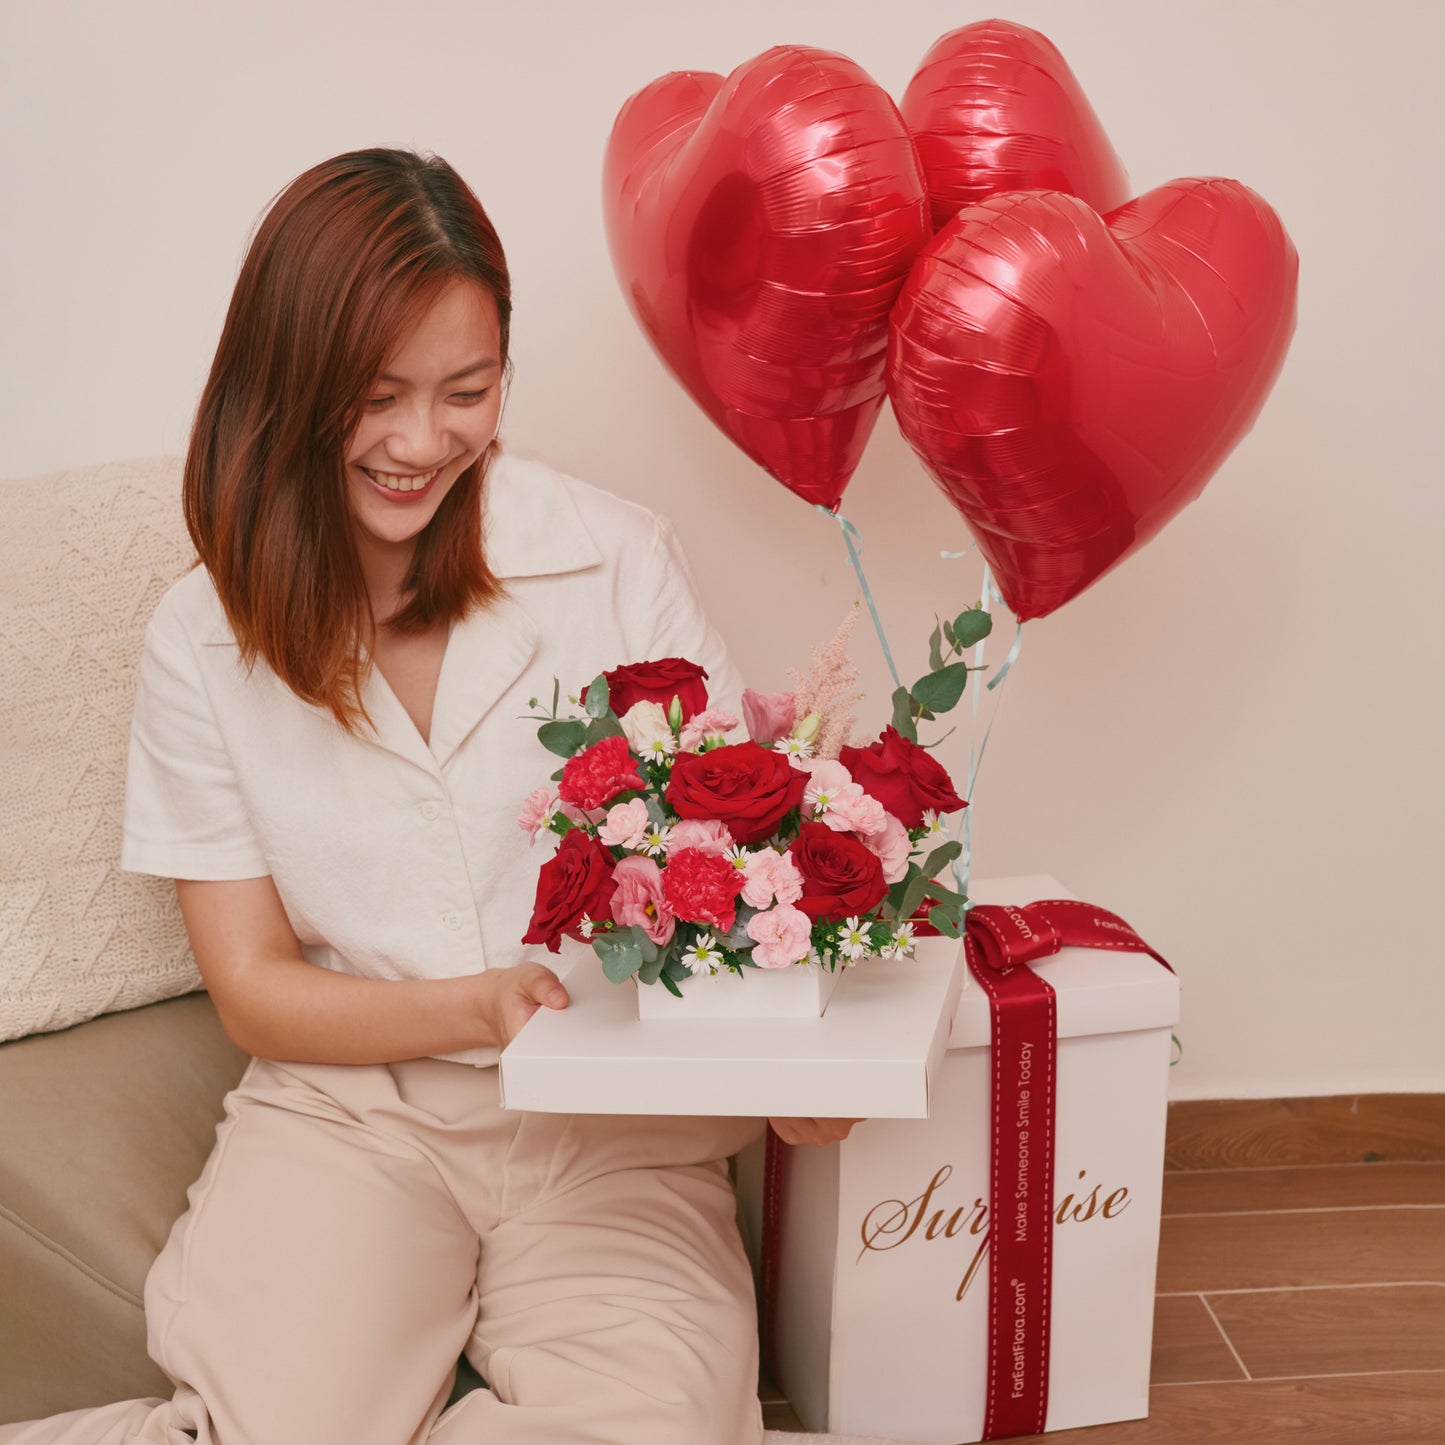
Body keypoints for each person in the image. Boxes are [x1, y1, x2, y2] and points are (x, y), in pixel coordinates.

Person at [0, 149, 856, 1445]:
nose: (420, 443)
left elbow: (732, 876)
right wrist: (475, 1006)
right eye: (375, 397)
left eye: (466, 391)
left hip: (613, 1126)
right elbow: (253, 984)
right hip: (352, 1115)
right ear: (286, 388)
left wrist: (796, 1064)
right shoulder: (201, 637)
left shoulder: (613, 561)